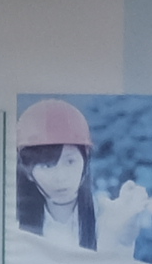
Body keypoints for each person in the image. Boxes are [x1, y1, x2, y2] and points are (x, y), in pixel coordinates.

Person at [11, 96, 111, 249]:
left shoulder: (108, 218)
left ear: (85, 161)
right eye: (47, 165)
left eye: (70, 162)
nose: (61, 177)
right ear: (28, 171)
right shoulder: (11, 223)